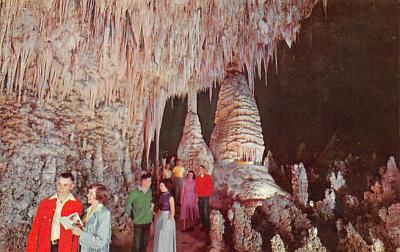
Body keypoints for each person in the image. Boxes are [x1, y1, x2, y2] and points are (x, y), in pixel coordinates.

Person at [26, 172, 83, 252]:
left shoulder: (76, 205)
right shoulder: (45, 203)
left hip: (64, 248)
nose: (61, 188)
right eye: (59, 184)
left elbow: (75, 235)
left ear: (72, 186)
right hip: (45, 247)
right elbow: (35, 229)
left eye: (65, 185)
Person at [72, 183, 111, 251]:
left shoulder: (104, 213)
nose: (87, 195)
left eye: (90, 193)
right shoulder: (87, 211)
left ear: (98, 196)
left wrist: (81, 234)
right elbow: (86, 229)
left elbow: (100, 241)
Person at [124, 173, 153, 252]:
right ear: (143, 182)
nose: (151, 183)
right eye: (149, 181)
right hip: (138, 222)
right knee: (137, 244)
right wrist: (132, 216)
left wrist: (151, 210)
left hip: (148, 221)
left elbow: (150, 202)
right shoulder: (134, 193)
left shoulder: (149, 191)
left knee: (145, 243)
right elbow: (127, 206)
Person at [154, 180, 176, 252]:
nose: (160, 187)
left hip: (168, 219)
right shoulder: (161, 195)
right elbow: (159, 209)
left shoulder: (170, 197)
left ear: (167, 186)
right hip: (160, 218)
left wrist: (167, 223)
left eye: (161, 186)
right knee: (158, 238)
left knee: (165, 239)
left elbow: (172, 212)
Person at [195, 165, 213, 231]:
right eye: (199, 169)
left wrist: (207, 193)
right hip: (199, 196)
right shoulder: (197, 178)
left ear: (203, 170)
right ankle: (203, 225)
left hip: (205, 196)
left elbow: (210, 186)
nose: (200, 170)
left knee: (205, 211)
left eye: (201, 169)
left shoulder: (208, 177)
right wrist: (196, 197)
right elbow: (196, 188)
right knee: (201, 211)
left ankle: (207, 226)